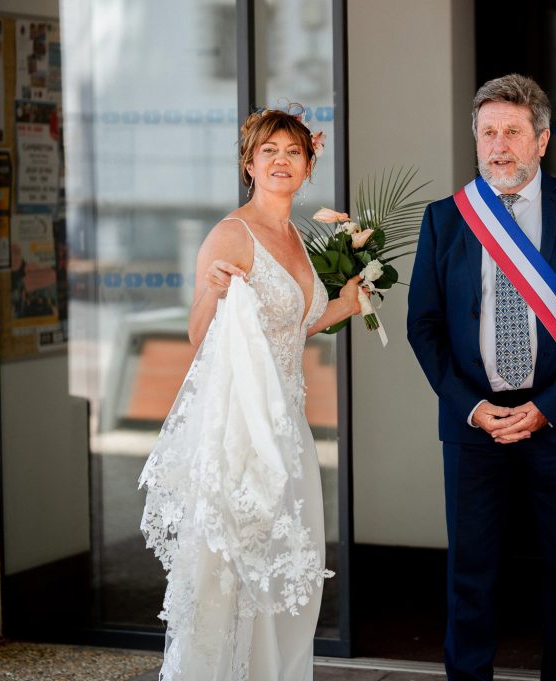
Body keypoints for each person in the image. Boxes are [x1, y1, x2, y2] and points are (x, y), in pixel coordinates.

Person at [406, 74, 556, 681]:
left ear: (542, 139)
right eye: (487, 133)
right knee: (471, 575)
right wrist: (471, 407)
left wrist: (547, 407)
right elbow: (422, 327)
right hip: (475, 423)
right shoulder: (446, 220)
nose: (498, 146)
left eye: (512, 132)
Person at [139, 106, 363, 681]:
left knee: (285, 579)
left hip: (288, 425)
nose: (281, 162)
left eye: (293, 152)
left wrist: (349, 298)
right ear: (249, 164)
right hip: (241, 432)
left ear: (309, 165)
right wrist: (212, 291)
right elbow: (197, 332)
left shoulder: (297, 235)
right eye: (270, 152)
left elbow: (293, 325)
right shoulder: (230, 234)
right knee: (234, 575)